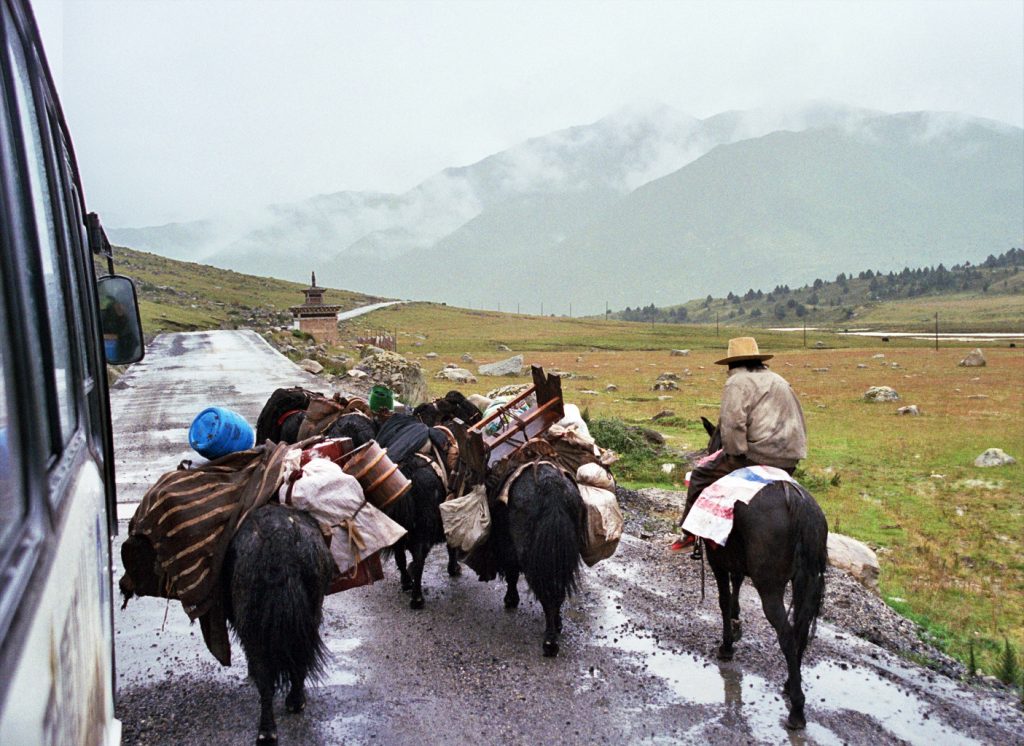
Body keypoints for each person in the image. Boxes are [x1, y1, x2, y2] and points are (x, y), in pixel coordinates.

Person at [675, 336, 807, 550]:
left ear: (732, 363)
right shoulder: (779, 380)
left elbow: (733, 423)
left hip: (757, 455)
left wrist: (734, 453)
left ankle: (690, 532)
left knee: (700, 475)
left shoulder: (737, 382)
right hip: (790, 459)